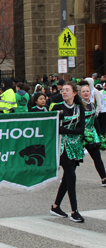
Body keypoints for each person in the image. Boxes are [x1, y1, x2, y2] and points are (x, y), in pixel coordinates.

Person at [50, 82, 85, 223]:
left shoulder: (79, 109)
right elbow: (57, 129)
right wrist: (69, 132)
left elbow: (81, 130)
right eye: (63, 90)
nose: (64, 92)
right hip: (62, 146)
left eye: (67, 90)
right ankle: (74, 211)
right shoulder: (58, 108)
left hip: (75, 146)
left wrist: (66, 131)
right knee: (71, 176)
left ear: (74, 93)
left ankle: (55, 206)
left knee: (66, 178)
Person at [78, 81, 106, 186]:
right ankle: (67, 179)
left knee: (97, 157)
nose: (86, 93)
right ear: (80, 93)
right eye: (83, 91)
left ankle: (104, 178)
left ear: (90, 92)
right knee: (74, 159)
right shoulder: (78, 105)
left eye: (87, 91)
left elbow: (95, 121)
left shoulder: (92, 104)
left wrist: (99, 134)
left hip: (91, 134)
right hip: (80, 134)